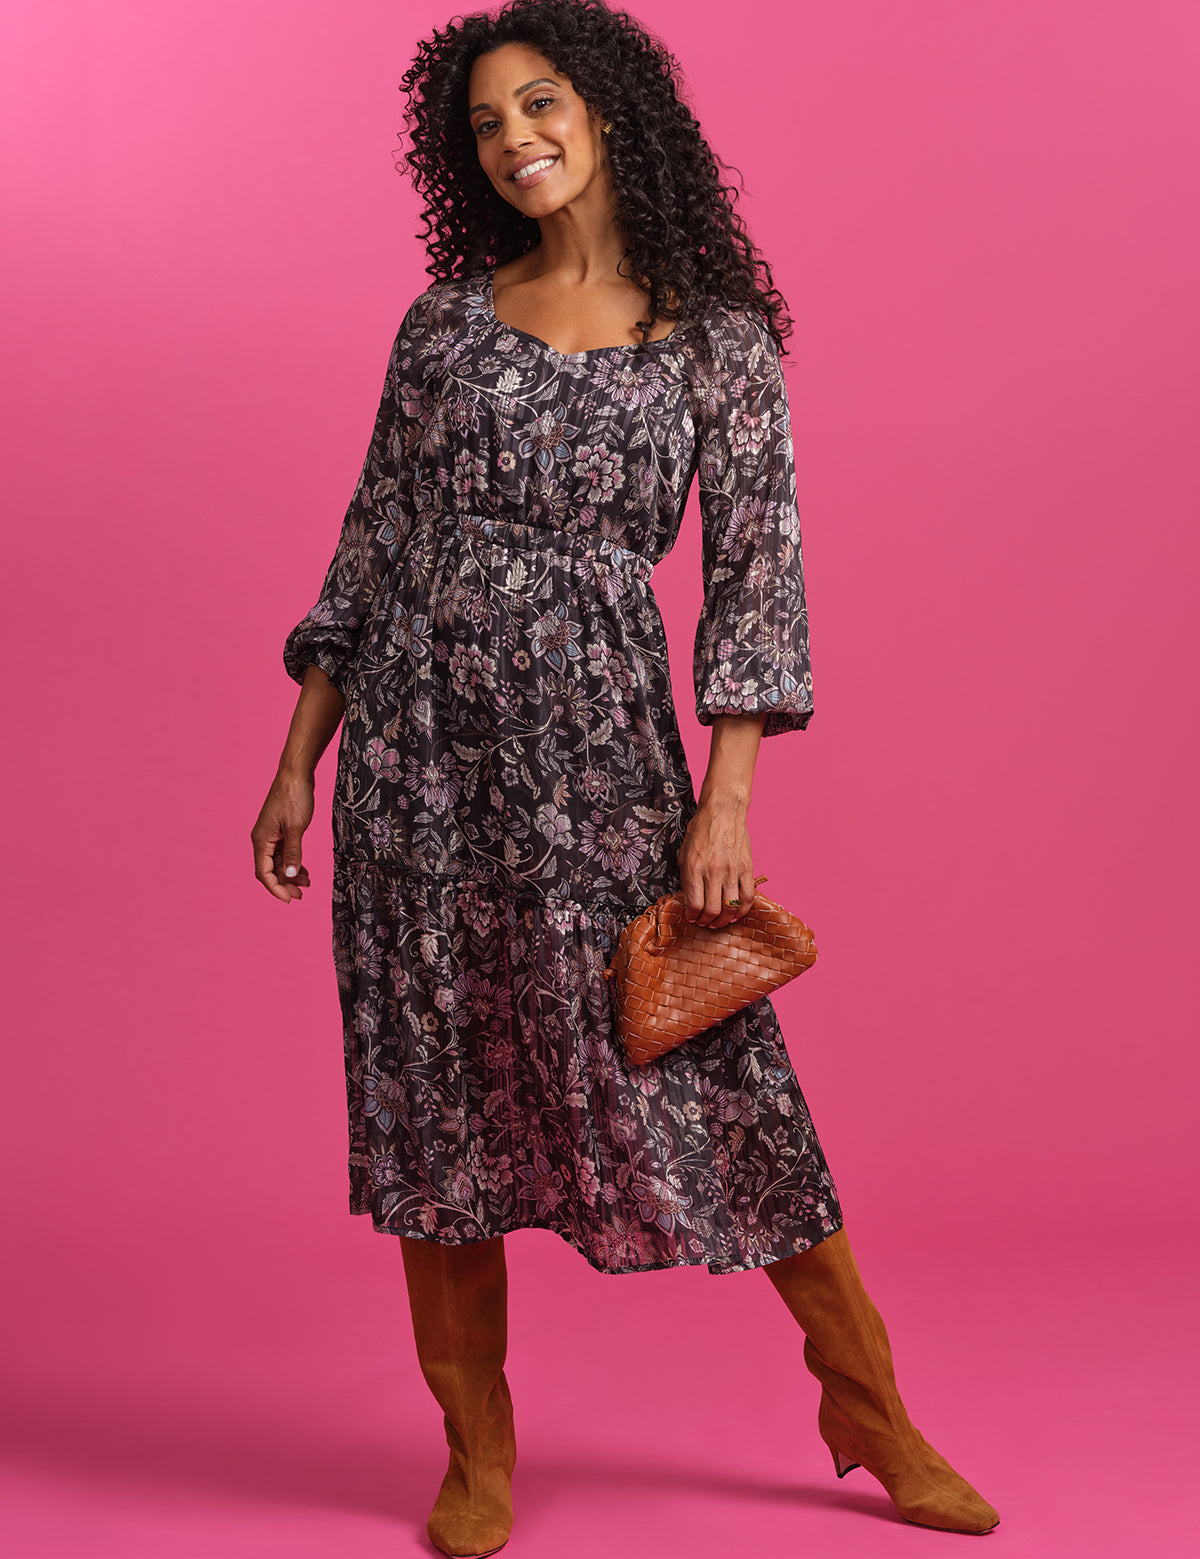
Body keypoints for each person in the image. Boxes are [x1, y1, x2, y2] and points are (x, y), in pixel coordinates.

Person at [251, 2, 999, 1553]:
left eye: (540, 104)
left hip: (599, 761)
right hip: (416, 763)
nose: (513, 138)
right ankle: (477, 1450)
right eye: (483, 123)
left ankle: (868, 1401)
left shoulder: (716, 339)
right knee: (437, 1089)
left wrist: (724, 804)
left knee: (718, 1075)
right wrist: (297, 759)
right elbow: (373, 540)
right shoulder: (443, 326)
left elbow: (756, 581)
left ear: (608, 111)